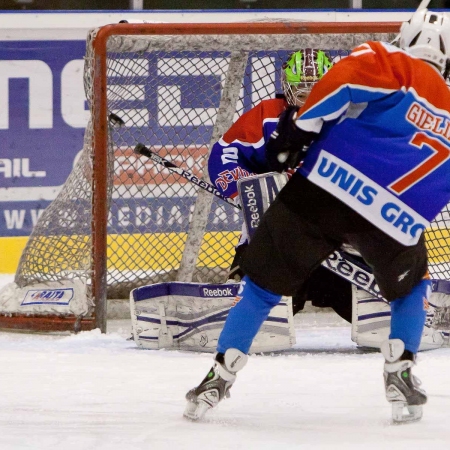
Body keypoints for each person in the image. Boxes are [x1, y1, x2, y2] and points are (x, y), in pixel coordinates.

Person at [184, 7, 450, 423]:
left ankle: (218, 377)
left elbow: (343, 80)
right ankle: (399, 372)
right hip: (395, 216)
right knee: (410, 290)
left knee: (259, 290)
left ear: (405, 38)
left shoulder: (388, 58)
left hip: (326, 187)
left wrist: (300, 130)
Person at [208, 48, 353, 323]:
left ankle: (391, 310)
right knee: (261, 290)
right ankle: (246, 310)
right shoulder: (267, 115)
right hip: (277, 230)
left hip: (336, 237)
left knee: (356, 297)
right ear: (286, 86)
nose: (309, 97)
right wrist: (250, 190)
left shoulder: (349, 117)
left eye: (317, 88)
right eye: (301, 89)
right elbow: (225, 155)